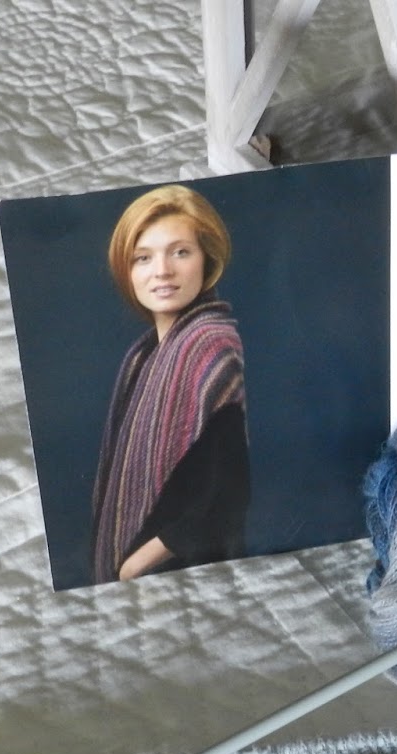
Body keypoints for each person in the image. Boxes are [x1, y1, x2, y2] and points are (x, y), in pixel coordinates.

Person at [90, 184, 251, 584]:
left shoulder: (208, 346)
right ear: (127, 271)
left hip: (186, 571)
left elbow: (227, 493)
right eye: (143, 258)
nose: (162, 271)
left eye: (180, 252)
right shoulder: (142, 357)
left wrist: (135, 565)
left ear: (207, 260)